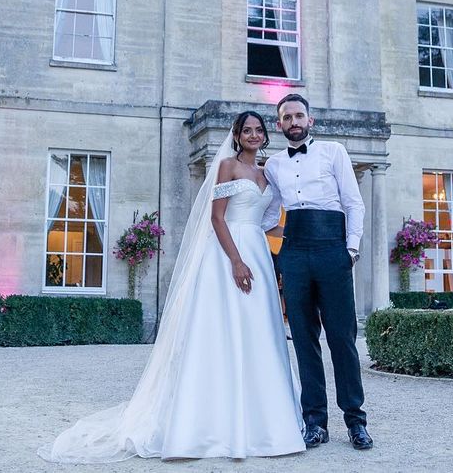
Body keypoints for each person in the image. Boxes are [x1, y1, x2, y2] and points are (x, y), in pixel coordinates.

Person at [38, 111, 304, 462]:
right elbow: (217, 218)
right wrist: (236, 261)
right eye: (246, 130)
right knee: (224, 330)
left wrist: (301, 233)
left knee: (259, 332)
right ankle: (211, 426)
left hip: (258, 251)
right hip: (230, 253)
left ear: (265, 135)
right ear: (237, 136)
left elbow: (267, 222)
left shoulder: (266, 173)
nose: (253, 135)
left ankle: (264, 424)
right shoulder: (228, 166)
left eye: (258, 130)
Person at [261, 93, 373, 450]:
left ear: (310, 120)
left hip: (332, 249)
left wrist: (351, 250)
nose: (293, 122)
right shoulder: (273, 165)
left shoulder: (333, 152)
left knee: (342, 338)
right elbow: (269, 214)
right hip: (294, 253)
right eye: (287, 117)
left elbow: (353, 202)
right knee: (303, 339)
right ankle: (315, 422)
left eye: (299, 116)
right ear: (279, 124)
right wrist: (265, 230)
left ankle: (355, 421)